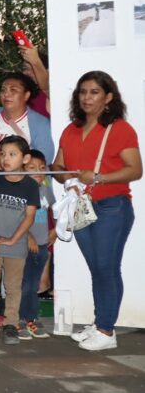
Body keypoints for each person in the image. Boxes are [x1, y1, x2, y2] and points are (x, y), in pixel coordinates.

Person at [52, 71, 141, 351]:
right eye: (82, 92)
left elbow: (135, 170)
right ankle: (100, 323)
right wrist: (69, 180)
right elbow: (58, 167)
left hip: (113, 206)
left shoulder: (119, 129)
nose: (87, 98)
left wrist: (98, 177)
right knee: (97, 269)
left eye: (94, 92)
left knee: (106, 267)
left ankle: (106, 330)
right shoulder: (71, 129)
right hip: (81, 208)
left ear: (109, 97)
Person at [0, 135, 39, 346]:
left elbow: (29, 216)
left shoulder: (30, 185)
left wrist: (13, 240)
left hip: (16, 246)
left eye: (12, 154)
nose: (6, 159)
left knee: (13, 287)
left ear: (25, 158)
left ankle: (11, 323)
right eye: (3, 154)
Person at [0, 72, 54, 165]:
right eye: (3, 90)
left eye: (13, 90)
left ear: (26, 95)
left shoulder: (39, 123)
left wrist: (3, 160)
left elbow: (45, 158)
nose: (6, 94)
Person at [18, 150, 55, 340]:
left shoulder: (45, 187)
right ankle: (19, 319)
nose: (38, 172)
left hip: (41, 244)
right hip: (24, 244)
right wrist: (28, 236)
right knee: (21, 284)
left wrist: (54, 230)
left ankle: (31, 317)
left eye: (42, 168)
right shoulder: (20, 189)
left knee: (33, 285)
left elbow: (53, 210)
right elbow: (14, 218)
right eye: (31, 168)